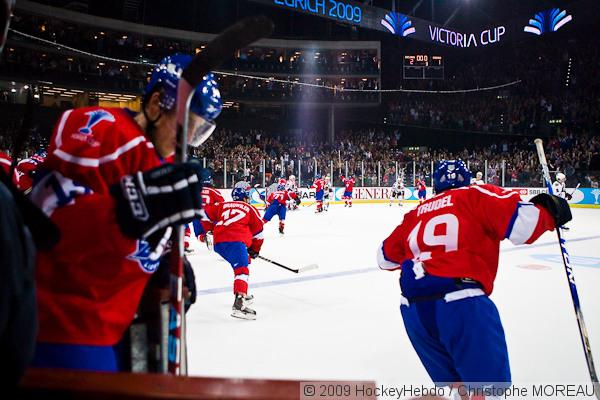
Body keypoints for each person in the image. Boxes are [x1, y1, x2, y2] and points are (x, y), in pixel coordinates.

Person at [28, 54, 222, 371]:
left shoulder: (166, 163)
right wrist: (124, 213)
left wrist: (164, 264)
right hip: (63, 327)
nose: (188, 141)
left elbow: (141, 238)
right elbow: (47, 222)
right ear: (157, 103)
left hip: (122, 325)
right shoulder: (100, 127)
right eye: (187, 126)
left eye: (198, 132)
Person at [377, 160, 571, 396]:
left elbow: (383, 258)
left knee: (458, 389)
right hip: (461, 302)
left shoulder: (416, 212)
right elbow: (524, 226)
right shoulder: (476, 195)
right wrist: (551, 209)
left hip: (414, 311)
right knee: (485, 391)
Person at [203, 187, 264, 320]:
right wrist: (255, 249)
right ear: (245, 198)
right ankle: (239, 303)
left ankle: (242, 291)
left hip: (219, 243)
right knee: (242, 270)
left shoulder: (222, 205)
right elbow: (259, 232)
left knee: (244, 261)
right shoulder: (250, 208)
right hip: (235, 241)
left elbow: (205, 214)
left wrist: (209, 230)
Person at [192, 169, 224, 250]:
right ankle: (217, 236)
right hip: (210, 215)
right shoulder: (214, 191)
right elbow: (222, 204)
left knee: (199, 233)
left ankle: (203, 237)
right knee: (219, 227)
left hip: (197, 216)